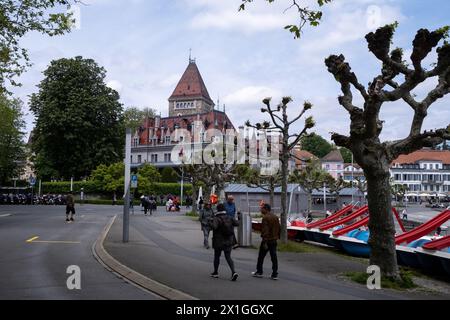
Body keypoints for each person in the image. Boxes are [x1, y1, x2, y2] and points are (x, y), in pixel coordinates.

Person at [209, 203, 239, 281]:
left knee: (217, 256)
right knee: (228, 257)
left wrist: (210, 222)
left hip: (218, 241)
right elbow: (237, 223)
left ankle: (215, 272)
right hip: (228, 240)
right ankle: (233, 272)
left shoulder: (216, 218)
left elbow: (214, 227)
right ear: (224, 209)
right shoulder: (229, 217)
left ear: (218, 209)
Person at [252, 203, 280, 280]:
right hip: (274, 240)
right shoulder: (275, 217)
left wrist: (264, 241)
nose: (260, 210)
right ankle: (275, 273)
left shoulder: (265, 218)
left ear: (266, 209)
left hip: (267, 240)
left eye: (262, 208)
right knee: (274, 257)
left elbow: (265, 231)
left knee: (261, 256)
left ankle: (259, 271)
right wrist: (277, 237)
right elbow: (279, 228)